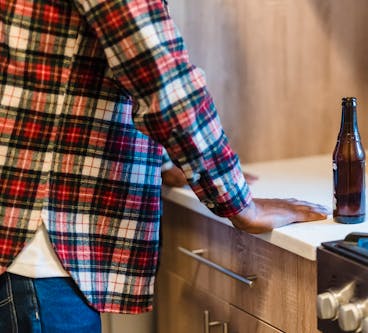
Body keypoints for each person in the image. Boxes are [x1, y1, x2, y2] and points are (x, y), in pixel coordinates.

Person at [0, 0, 329, 331]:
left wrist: (162, 161)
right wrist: (239, 203)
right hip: (32, 246)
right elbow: (162, 80)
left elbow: (62, 73)